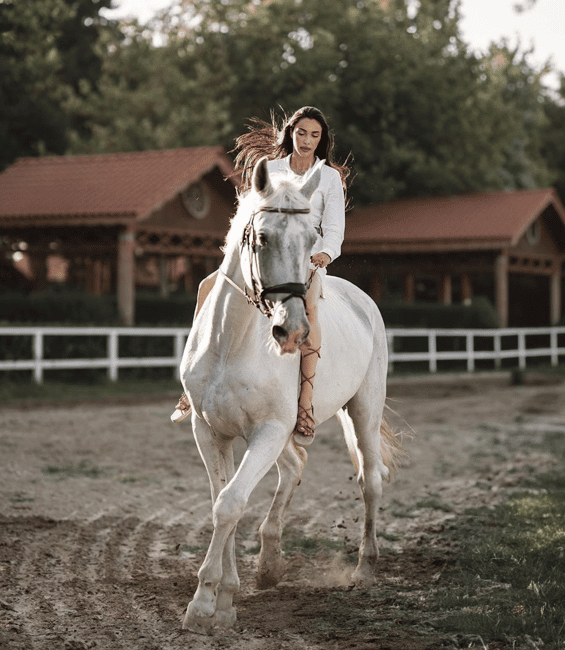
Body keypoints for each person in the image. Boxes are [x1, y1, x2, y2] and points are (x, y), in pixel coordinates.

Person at [171, 106, 351, 443]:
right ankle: (193, 383)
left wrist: (325, 254)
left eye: (314, 135)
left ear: (322, 140)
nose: (307, 141)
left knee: (310, 310)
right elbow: (249, 215)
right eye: (301, 133)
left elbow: (334, 230)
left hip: (305, 259)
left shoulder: (328, 178)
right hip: (265, 256)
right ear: (291, 134)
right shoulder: (270, 169)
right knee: (208, 286)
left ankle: (305, 403)